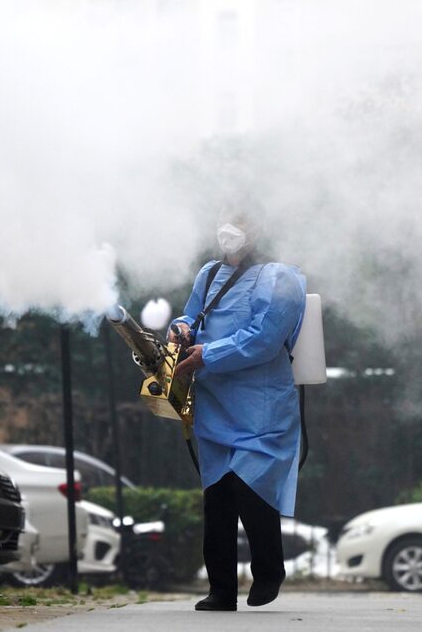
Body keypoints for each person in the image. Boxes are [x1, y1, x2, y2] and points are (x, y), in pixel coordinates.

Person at [170, 208, 306, 612]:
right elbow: (191, 315)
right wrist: (180, 330)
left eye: (240, 224)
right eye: (226, 221)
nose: (229, 232)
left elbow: (265, 337)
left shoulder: (279, 278)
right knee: (218, 497)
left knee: (250, 487)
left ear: (258, 230)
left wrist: (208, 355)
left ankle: (269, 571)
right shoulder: (208, 274)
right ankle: (221, 590)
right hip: (215, 405)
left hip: (260, 406)